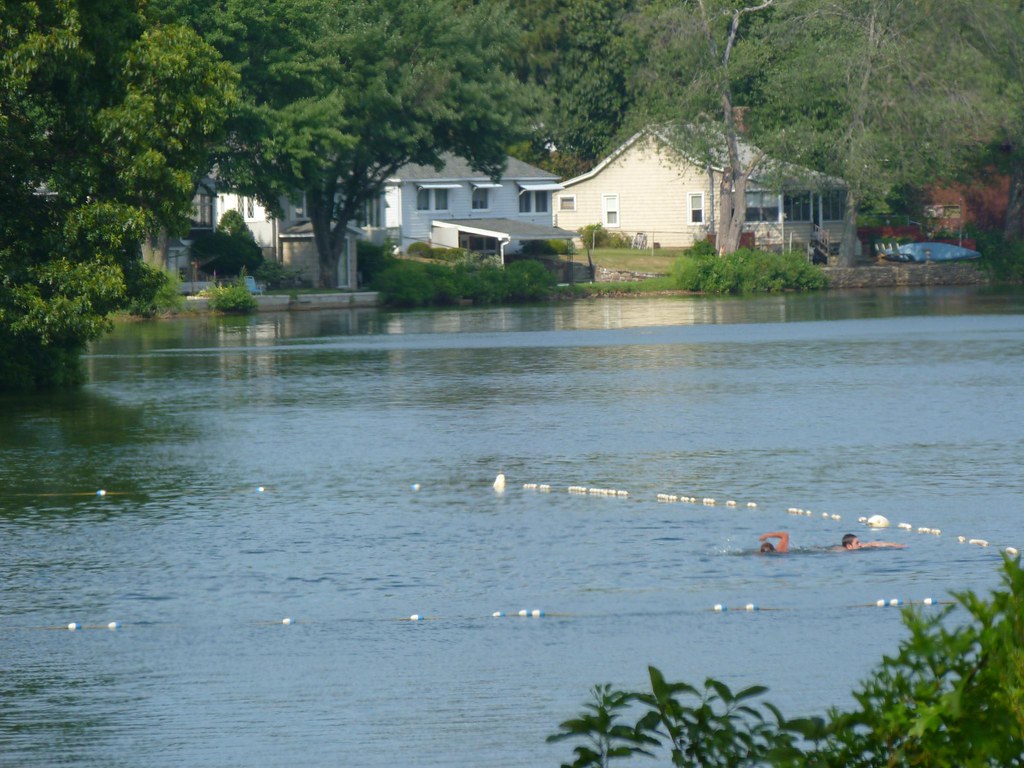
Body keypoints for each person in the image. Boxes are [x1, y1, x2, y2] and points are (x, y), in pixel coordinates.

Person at [838, 533, 906, 550]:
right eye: (857, 543)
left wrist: (895, 545)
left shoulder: (861, 546)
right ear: (849, 546)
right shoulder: (840, 551)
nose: (860, 544)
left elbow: (874, 544)